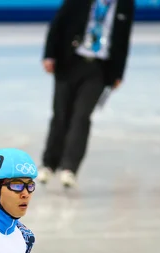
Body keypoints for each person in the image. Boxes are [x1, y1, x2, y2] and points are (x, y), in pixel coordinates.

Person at [38, 0, 134, 187]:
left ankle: (69, 168)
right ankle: (49, 164)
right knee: (61, 115)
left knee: (82, 116)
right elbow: (58, 23)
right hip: (69, 62)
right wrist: (49, 55)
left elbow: (124, 37)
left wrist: (118, 72)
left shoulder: (125, 3)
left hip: (99, 68)